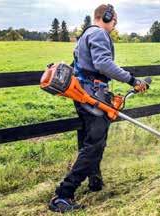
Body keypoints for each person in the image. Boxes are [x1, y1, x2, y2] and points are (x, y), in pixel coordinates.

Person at [49, 4, 148, 213]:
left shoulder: (85, 34)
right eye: (114, 21)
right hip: (91, 96)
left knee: (92, 142)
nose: (115, 25)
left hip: (85, 95)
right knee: (94, 144)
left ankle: (95, 181)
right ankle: (63, 194)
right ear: (107, 16)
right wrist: (132, 80)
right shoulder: (100, 34)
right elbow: (103, 64)